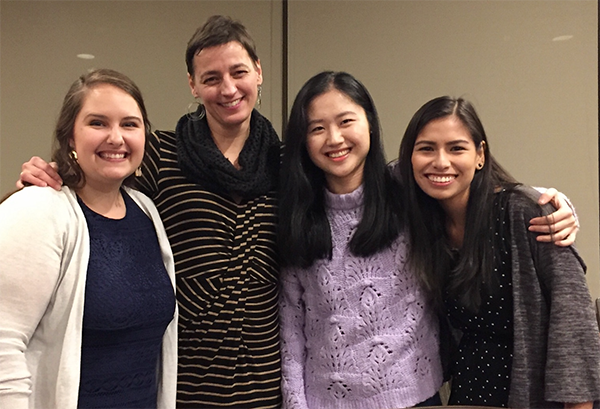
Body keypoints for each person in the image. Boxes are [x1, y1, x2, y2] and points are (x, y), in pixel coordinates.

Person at [14, 16, 577, 408]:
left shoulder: (293, 166)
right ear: (192, 84)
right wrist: (46, 180)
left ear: (259, 72)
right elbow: (105, 167)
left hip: (266, 383)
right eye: (210, 78)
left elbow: (446, 171)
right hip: (188, 383)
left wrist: (540, 198)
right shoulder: (162, 152)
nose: (226, 88)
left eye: (238, 72)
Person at [396, 95, 600, 408]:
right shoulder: (420, 215)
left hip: (533, 393)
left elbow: (573, 315)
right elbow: (364, 175)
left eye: (456, 148)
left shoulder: (524, 211)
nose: (440, 161)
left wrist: (579, 404)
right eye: (426, 148)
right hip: (468, 387)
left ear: (480, 155)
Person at [0, 69, 178, 409]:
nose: (116, 138)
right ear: (70, 137)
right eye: (98, 123)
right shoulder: (38, 209)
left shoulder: (146, 211)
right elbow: (3, 343)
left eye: (130, 124)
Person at [278, 71, 443, 408]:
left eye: (345, 121)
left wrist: (546, 199)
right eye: (317, 128)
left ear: (369, 123)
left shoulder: (409, 190)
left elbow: (474, 189)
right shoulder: (298, 215)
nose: (334, 138)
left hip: (415, 397)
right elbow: (291, 330)